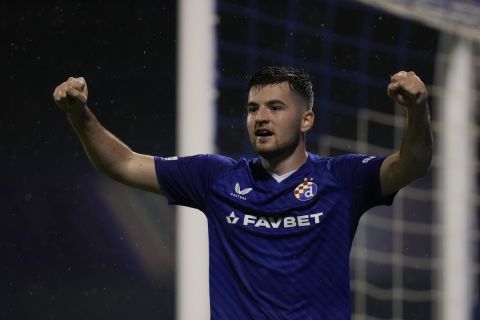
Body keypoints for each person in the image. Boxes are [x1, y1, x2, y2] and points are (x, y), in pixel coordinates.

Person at [53, 66, 433, 319]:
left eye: (275, 107)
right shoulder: (215, 177)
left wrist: (417, 110)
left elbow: (412, 163)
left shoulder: (342, 177)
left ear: (306, 120)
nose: (261, 117)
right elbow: (122, 164)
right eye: (253, 109)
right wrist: (79, 115)